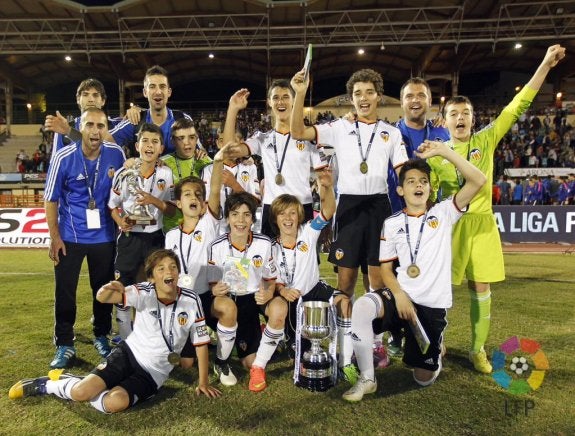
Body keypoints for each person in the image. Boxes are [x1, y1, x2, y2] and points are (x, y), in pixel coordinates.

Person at [427, 44, 566, 373]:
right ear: (443, 121)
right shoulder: (437, 153)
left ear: (473, 119)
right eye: (454, 114)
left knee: (482, 287)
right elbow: (429, 196)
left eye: (465, 114)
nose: (460, 118)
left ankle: (477, 350)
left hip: (483, 226)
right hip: (452, 228)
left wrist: (545, 64)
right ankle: (437, 343)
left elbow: (518, 105)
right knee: (439, 289)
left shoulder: (486, 140)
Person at [342, 140, 486, 402]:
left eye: (423, 181)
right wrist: (399, 295)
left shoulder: (444, 213)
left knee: (422, 378)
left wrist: (445, 152)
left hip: (430, 306)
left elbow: (478, 180)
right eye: (411, 181)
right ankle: (367, 378)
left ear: (430, 188)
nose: (418, 185)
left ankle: (435, 350)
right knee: (363, 306)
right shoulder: (392, 223)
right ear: (400, 189)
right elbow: (385, 269)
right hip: (400, 298)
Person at [290, 68, 408, 378]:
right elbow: (298, 132)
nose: (364, 98)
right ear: (351, 98)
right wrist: (300, 92)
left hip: (380, 208)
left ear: (378, 96)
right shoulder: (339, 127)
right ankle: (344, 344)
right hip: (350, 207)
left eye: (369, 92)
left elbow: (404, 170)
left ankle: (376, 343)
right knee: (345, 283)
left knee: (376, 283)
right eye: (358, 94)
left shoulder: (391, 133)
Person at [9, 249, 221, 412]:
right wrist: (107, 289)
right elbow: (105, 298)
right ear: (151, 277)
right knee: (81, 392)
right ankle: (50, 384)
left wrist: (203, 382)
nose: (169, 272)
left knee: (115, 403)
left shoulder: (191, 299)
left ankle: (92, 384)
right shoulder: (143, 292)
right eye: (161, 268)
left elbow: (200, 342)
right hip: (128, 354)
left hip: (154, 372)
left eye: (173, 267)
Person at [44, 107, 126, 368]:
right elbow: (50, 200)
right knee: (65, 291)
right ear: (81, 127)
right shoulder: (63, 156)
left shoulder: (116, 154)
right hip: (70, 236)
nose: (95, 131)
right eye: (90, 125)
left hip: (104, 236)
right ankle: (65, 342)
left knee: (102, 290)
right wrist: (54, 236)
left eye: (100, 126)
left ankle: (101, 334)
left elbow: (124, 192)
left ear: (105, 130)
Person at [164, 143, 238, 370]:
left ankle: (221, 362)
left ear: (203, 203)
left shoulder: (209, 224)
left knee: (227, 308)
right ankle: (195, 339)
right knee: (185, 364)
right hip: (184, 301)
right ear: (178, 203)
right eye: (187, 194)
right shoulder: (171, 236)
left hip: (207, 297)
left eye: (198, 194)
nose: (193, 197)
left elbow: (215, 190)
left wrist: (216, 161)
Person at [223, 80, 326, 238]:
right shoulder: (262, 139)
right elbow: (229, 152)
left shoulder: (309, 139)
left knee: (305, 261)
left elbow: (324, 181)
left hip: (301, 208)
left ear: (293, 101)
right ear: (269, 102)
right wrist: (233, 109)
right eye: (276, 97)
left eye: (286, 97)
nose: (281, 101)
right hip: (271, 208)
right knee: (270, 261)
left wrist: (323, 216)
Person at [109, 123, 176, 339]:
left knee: (151, 288)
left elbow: (171, 209)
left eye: (154, 142)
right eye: (145, 141)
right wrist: (121, 221)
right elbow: (112, 205)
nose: (149, 145)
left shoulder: (166, 174)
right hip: (129, 238)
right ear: (137, 145)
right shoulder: (123, 172)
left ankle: (149, 335)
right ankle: (126, 338)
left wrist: (152, 200)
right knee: (123, 286)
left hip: (154, 239)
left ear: (161, 148)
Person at [207, 192, 280, 390]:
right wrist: (217, 288)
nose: (240, 220)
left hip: (249, 302)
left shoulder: (264, 244)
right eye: (235, 214)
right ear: (228, 218)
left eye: (246, 215)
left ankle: (243, 340)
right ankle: (221, 362)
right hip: (226, 301)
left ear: (252, 219)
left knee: (250, 363)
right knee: (228, 307)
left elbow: (269, 279)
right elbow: (212, 285)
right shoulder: (216, 246)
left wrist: (267, 291)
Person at [269, 167, 337, 374]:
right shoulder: (271, 248)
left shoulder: (308, 231)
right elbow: (273, 280)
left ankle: (345, 356)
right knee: (301, 353)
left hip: (314, 290)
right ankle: (285, 339)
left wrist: (327, 187)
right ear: (275, 218)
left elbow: (328, 211)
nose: (288, 218)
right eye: (282, 213)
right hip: (292, 297)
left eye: (292, 213)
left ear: (299, 216)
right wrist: (282, 291)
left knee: (344, 303)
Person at [109, 65, 196, 156]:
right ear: (145, 92)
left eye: (162, 86)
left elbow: (200, 153)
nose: (158, 92)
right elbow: (104, 143)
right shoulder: (135, 120)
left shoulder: (182, 119)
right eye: (152, 87)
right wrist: (125, 162)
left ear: (169, 92)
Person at [45, 78, 121, 157]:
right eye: (85, 95)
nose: (91, 99)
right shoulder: (65, 127)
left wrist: (133, 111)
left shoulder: (114, 125)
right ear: (78, 99)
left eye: (95, 95)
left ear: (103, 101)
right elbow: (56, 161)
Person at [161, 118, 213, 232]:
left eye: (191, 137)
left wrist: (246, 160)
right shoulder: (162, 163)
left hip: (200, 230)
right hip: (171, 230)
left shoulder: (207, 163)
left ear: (197, 139)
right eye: (181, 138)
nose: (187, 142)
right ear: (173, 141)